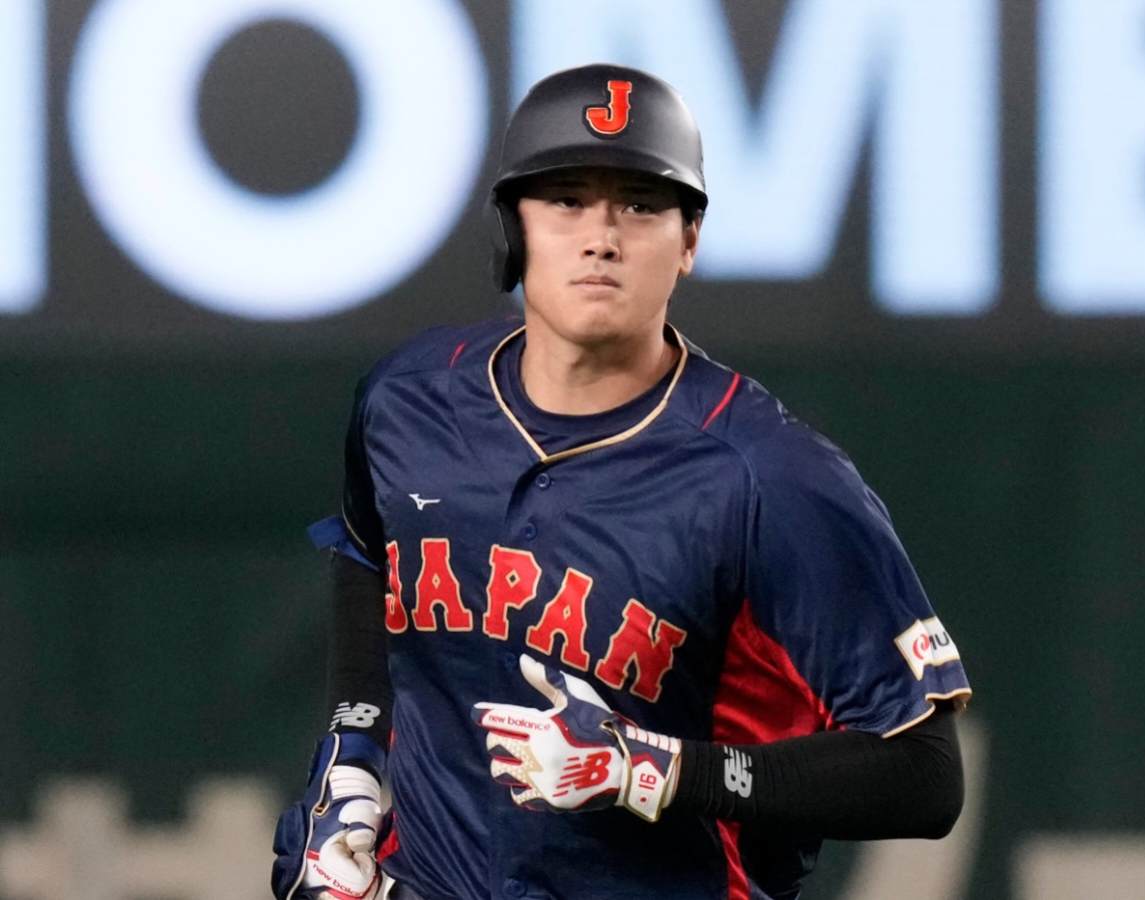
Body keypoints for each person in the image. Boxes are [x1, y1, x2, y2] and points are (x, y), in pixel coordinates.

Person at [271, 63, 972, 900]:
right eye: (566, 199)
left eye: (640, 205)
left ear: (689, 242)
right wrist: (353, 761)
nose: (601, 235)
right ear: (513, 228)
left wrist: (656, 770)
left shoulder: (770, 478)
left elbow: (923, 776)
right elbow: (367, 554)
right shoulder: (409, 403)